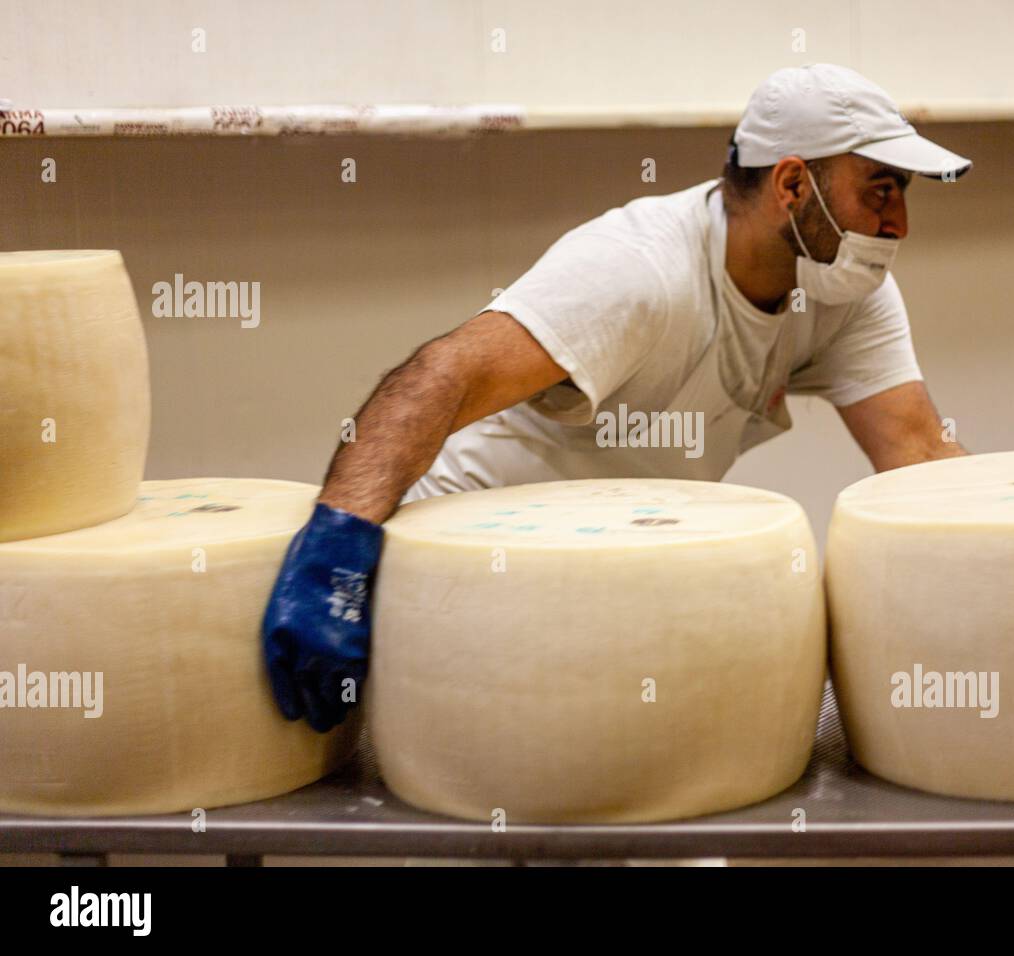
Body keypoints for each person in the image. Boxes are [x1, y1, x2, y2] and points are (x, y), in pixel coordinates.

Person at [262, 63, 973, 731]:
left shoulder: (843, 289)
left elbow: (916, 450)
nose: (897, 225)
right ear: (791, 185)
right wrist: (338, 544)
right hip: (466, 571)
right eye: (880, 190)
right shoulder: (640, 270)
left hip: (611, 582)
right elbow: (441, 373)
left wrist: (1006, 563)